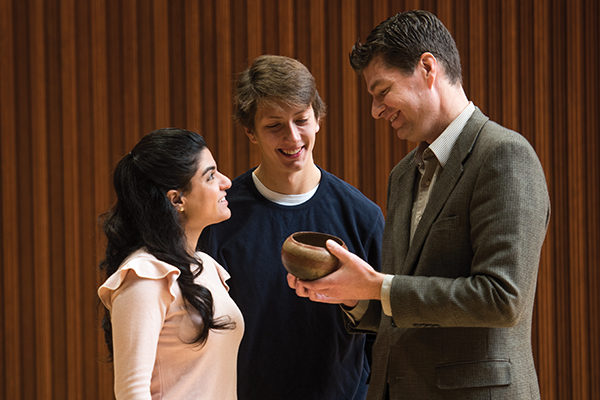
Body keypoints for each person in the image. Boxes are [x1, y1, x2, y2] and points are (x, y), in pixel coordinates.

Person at [288, 10, 550, 400]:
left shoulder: (504, 155)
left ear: (427, 67)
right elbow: (402, 307)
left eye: (382, 92)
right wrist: (353, 294)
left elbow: (502, 298)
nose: (376, 110)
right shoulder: (402, 175)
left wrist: (379, 286)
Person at [198, 55, 385, 399]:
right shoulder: (220, 221)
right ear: (250, 132)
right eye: (274, 126)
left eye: (301, 120)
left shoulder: (362, 217)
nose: (292, 137)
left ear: (318, 119)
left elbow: (383, 333)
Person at [97, 128, 244, 399]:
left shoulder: (207, 266)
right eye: (211, 176)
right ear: (177, 199)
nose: (226, 182)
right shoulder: (145, 274)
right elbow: (132, 392)